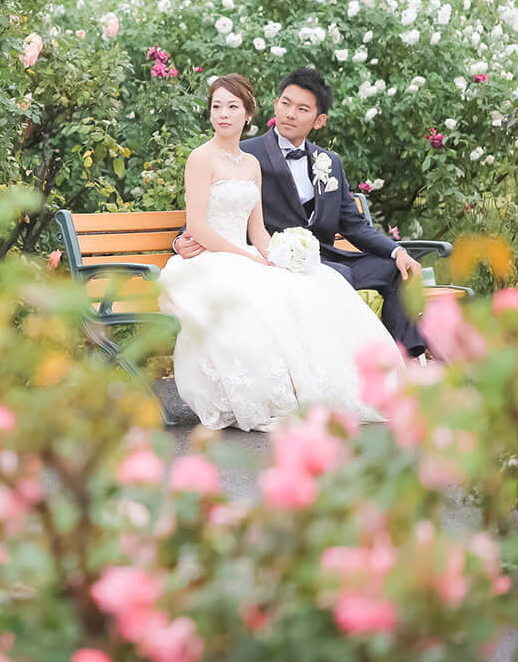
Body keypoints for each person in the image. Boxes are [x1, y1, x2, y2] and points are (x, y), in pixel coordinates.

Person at [158, 73, 401, 431]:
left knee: (315, 283)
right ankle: (262, 394)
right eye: (216, 107)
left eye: (232, 107)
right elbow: (197, 227)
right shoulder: (200, 158)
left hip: (242, 252)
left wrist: (279, 257)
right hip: (207, 260)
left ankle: (328, 387)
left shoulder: (251, 164)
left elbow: (257, 231)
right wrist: (246, 259)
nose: (223, 114)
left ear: (248, 114)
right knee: (255, 294)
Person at [174, 67, 427, 357]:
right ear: (275, 105)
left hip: (329, 258)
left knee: (396, 270)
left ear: (319, 120)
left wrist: (397, 252)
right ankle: (348, 364)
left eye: (302, 108)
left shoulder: (329, 162)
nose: (290, 114)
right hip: (283, 262)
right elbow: (214, 211)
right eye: (285, 103)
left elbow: (355, 225)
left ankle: (407, 360)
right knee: (337, 278)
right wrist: (181, 240)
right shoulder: (245, 153)